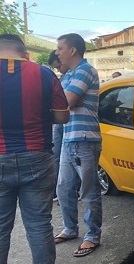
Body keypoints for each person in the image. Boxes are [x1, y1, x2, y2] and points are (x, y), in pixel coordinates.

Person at [0, 34, 69, 264]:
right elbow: (63, 116)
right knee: (39, 224)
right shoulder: (43, 73)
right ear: (24, 53)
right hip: (37, 155)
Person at [54, 33, 103, 257]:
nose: (57, 52)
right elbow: (56, 104)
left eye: (60, 48)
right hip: (68, 139)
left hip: (85, 139)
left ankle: (92, 235)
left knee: (89, 191)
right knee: (64, 188)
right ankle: (70, 228)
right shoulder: (68, 76)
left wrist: (62, 101)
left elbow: (65, 103)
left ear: (72, 50)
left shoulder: (85, 70)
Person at [48, 50, 70, 202]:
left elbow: (69, 102)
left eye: (59, 65)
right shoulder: (63, 78)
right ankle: (57, 191)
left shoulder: (77, 75)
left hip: (69, 124)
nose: (59, 70)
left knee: (64, 158)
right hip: (60, 125)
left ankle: (68, 190)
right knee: (56, 156)